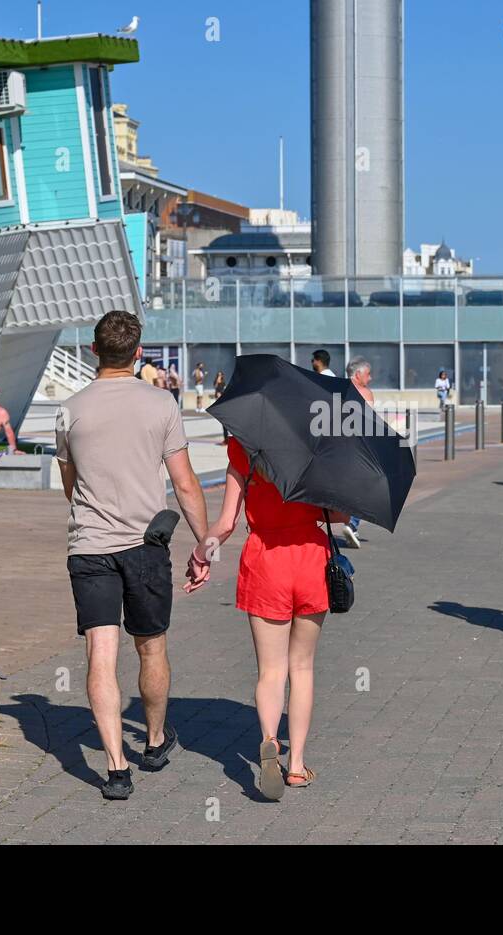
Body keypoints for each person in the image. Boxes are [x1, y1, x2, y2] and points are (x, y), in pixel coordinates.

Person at [55, 311, 212, 800]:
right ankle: (156, 741)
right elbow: (185, 483)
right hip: (146, 547)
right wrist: (204, 543)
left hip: (91, 548)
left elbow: (70, 486)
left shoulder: (70, 409)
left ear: (94, 351)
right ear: (138, 353)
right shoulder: (161, 403)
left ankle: (116, 768)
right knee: (151, 644)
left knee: (100, 653)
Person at [203, 436, 350, 800]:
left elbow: (225, 524)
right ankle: (297, 765)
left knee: (271, 670)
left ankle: (270, 740)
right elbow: (340, 517)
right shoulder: (317, 449)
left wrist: (201, 553)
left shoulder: (243, 449)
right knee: (302, 667)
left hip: (265, 558)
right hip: (310, 560)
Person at [340, 357, 374, 549]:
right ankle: (351, 523)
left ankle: (347, 522)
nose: (370, 378)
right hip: (359, 447)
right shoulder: (365, 393)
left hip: (338, 446)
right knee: (364, 487)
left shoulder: (337, 390)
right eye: (368, 374)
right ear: (358, 374)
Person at [214, 371, 229, 444]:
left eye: (221, 375)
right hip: (219, 403)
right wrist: (217, 380)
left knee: (225, 423)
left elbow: (224, 390)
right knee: (223, 423)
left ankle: (227, 439)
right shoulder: (216, 382)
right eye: (218, 375)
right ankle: (226, 439)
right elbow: (215, 387)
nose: (220, 376)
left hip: (224, 402)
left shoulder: (223, 382)